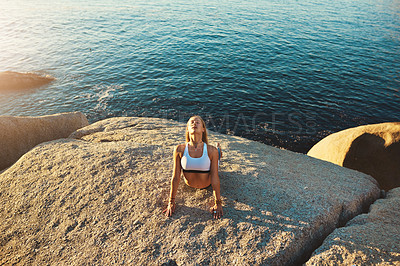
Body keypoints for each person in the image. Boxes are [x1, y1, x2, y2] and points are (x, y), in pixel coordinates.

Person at [163, 115, 223, 219]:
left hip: (207, 183)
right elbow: (176, 177)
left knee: (216, 155)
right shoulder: (179, 149)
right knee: (214, 154)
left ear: (203, 129)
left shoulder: (210, 150)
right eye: (191, 122)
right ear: (187, 129)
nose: (194, 123)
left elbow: (215, 177)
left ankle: (219, 151)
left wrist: (218, 202)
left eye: (197, 122)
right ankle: (219, 151)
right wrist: (171, 201)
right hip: (189, 184)